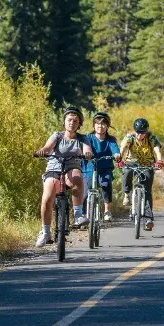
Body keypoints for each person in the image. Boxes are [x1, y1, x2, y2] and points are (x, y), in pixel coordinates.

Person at [34, 106, 93, 247]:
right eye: (69, 120)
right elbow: (48, 147)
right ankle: (45, 231)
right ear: (64, 122)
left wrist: (88, 154)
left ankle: (78, 215)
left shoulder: (83, 138)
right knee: (47, 198)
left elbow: (87, 149)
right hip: (54, 168)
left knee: (77, 178)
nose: (72, 123)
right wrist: (42, 151)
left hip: (72, 167)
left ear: (79, 124)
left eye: (75, 120)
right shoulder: (57, 136)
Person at [118, 118, 163, 231]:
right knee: (127, 172)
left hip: (147, 164)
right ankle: (127, 193)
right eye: (138, 132)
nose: (139, 135)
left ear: (146, 131)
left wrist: (159, 160)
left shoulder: (151, 138)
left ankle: (148, 219)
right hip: (131, 162)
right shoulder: (130, 137)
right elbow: (123, 147)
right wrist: (120, 158)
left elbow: (157, 149)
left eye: (142, 133)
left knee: (147, 189)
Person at [82, 112, 121, 222]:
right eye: (97, 124)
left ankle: (107, 211)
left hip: (104, 169)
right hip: (89, 169)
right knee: (85, 193)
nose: (100, 126)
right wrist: (85, 153)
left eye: (103, 124)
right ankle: (84, 215)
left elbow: (115, 150)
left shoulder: (110, 140)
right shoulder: (87, 138)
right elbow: (85, 148)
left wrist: (117, 155)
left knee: (105, 184)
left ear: (107, 126)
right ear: (93, 126)